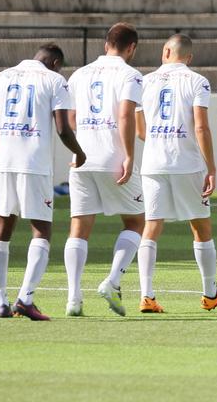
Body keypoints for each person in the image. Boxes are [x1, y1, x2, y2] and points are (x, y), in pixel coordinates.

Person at [0, 44, 86, 321]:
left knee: (3, 227)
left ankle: (0, 300)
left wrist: (4, 152)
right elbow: (63, 128)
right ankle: (25, 299)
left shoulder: (0, 77)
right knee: (41, 231)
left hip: (7, 165)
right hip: (36, 166)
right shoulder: (54, 80)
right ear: (54, 63)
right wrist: (80, 152)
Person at [134, 35, 217, 313]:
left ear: (166, 51)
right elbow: (201, 127)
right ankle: (209, 292)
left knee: (151, 226)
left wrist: (160, 142)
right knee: (200, 226)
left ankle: (147, 295)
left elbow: (140, 129)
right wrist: (212, 167)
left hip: (154, 162)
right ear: (189, 58)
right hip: (187, 163)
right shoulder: (198, 81)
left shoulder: (145, 81)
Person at [64, 23, 146, 317]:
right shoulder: (131, 75)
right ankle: (112, 281)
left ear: (105, 44)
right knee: (136, 222)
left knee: (79, 227)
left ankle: (73, 298)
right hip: (112, 157)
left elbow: (69, 118)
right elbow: (125, 114)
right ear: (132, 47)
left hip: (82, 158)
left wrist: (83, 142)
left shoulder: (80, 74)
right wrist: (128, 155)